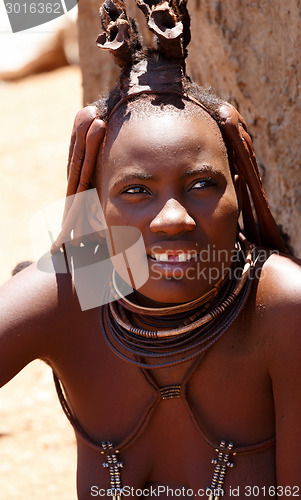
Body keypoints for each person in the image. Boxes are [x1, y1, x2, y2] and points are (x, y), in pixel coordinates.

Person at [1, 1, 300, 498]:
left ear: (240, 189)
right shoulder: (76, 291)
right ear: (97, 212)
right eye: (137, 191)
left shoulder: (279, 310)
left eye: (202, 184)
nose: (174, 218)